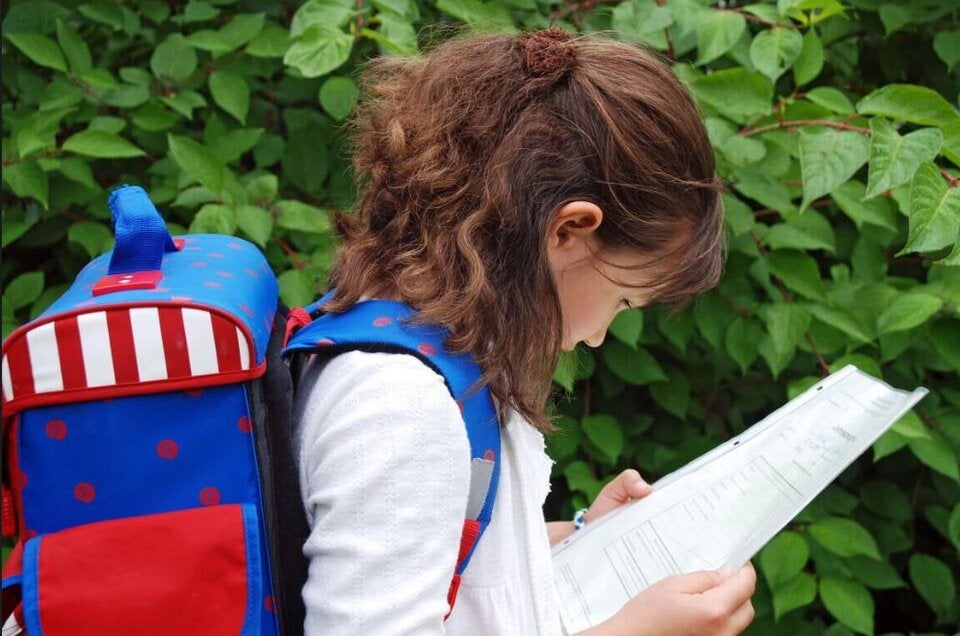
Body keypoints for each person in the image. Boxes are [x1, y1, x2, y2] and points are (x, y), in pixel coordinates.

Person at [291, 27, 756, 635]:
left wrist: (583, 539)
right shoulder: (403, 405)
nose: (599, 337)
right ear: (568, 230)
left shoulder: (427, 341)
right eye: (623, 299)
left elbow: (437, 554)